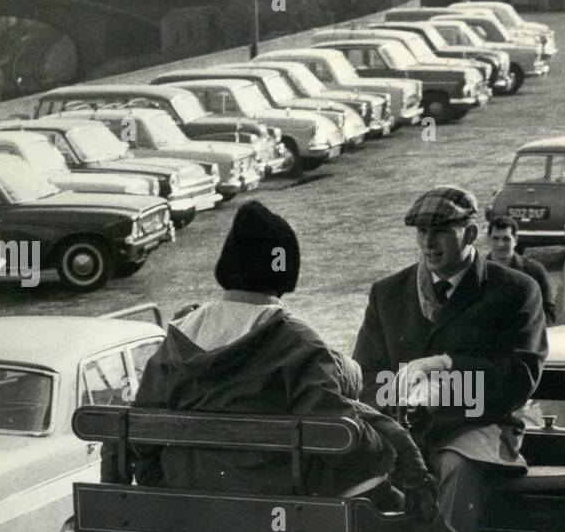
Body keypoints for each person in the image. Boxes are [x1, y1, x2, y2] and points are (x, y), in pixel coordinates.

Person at [354, 185, 548, 532]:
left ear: (472, 233)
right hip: (406, 432)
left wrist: (444, 368)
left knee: (457, 467)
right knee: (357, 474)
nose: (429, 242)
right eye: (422, 232)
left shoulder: (515, 290)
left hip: (482, 426)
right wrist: (398, 397)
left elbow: (520, 377)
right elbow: (366, 378)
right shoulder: (389, 292)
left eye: (441, 231)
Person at [129, 201, 427, 501]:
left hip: (189, 492)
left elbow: (143, 424)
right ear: (283, 271)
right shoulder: (296, 341)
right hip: (279, 502)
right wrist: (384, 452)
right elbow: (335, 433)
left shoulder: (179, 335)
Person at [486, 214, 556, 323]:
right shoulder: (476, 273)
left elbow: (548, 312)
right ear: (488, 239)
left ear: (516, 240)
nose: (500, 244)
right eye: (495, 238)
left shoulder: (535, 271)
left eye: (506, 239)